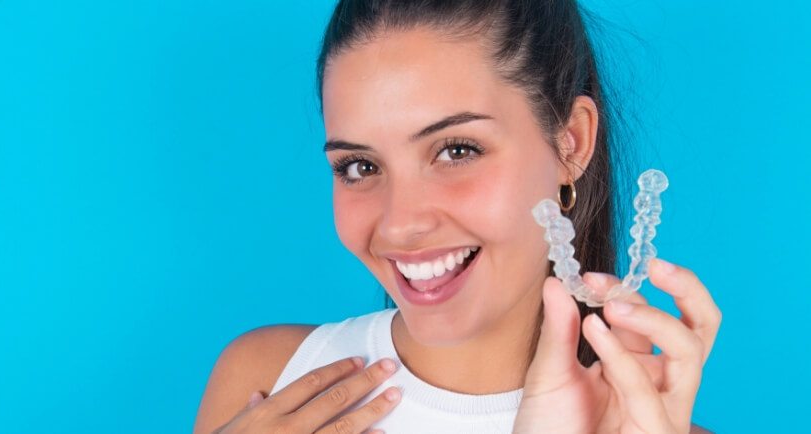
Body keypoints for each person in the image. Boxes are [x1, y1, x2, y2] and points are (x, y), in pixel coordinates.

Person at [193, 1, 722, 433]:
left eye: (457, 151)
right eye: (360, 165)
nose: (399, 225)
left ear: (571, 143)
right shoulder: (266, 381)